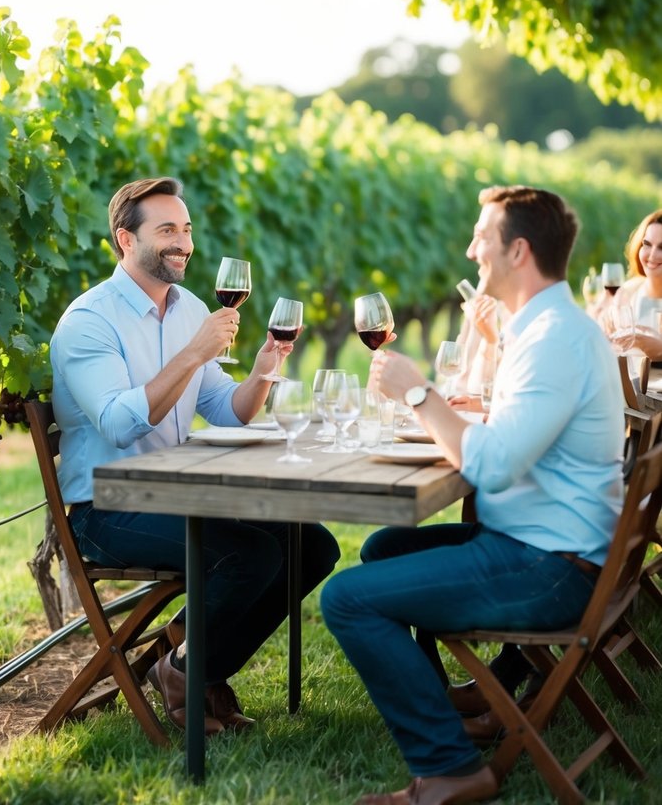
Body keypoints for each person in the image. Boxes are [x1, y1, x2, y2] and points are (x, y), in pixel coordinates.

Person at [321, 185, 624, 805]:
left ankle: (450, 768)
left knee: (347, 598)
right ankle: (447, 715)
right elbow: (516, 438)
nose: (469, 249)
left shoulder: (553, 339)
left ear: (518, 251)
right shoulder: (548, 327)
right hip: (550, 544)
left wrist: (419, 394)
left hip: (550, 566)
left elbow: (493, 466)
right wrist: (469, 411)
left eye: (481, 238)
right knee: (383, 549)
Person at [50, 176, 340, 735]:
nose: (182, 242)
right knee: (246, 555)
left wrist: (262, 371)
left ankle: (185, 664)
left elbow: (227, 410)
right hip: (106, 507)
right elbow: (115, 423)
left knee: (311, 544)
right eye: (166, 230)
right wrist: (193, 353)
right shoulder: (89, 321)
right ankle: (189, 673)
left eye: (186, 229)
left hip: (177, 491)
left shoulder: (189, 310)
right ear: (125, 240)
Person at [616, 209, 662, 361]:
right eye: (647, 244)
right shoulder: (628, 291)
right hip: (630, 384)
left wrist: (653, 347)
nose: (652, 255)